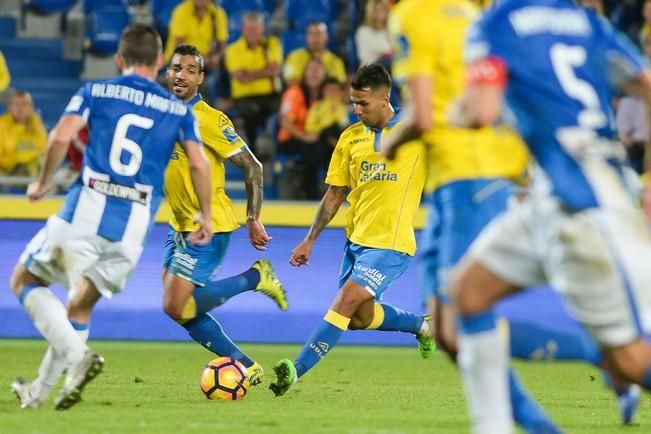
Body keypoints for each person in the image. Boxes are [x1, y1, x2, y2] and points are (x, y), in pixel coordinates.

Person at [448, 1, 651, 432]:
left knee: (629, 359)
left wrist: (454, 111)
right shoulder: (587, 24)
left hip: (583, 206)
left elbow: (480, 111)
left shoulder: (495, 25)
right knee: (469, 292)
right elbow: (646, 83)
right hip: (556, 194)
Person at [382, 1, 566, 432]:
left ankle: (605, 355)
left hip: (471, 178)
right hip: (463, 180)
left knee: (467, 315)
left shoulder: (412, 15)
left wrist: (389, 143)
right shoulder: (473, 13)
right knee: (447, 333)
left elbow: (423, 116)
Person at [9, 24, 212, 411]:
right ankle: (37, 395)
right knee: (79, 308)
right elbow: (199, 164)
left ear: (118, 60)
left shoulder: (96, 91)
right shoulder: (177, 109)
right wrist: (206, 214)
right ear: (157, 63)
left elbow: (59, 136)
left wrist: (41, 183)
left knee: (25, 279)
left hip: (87, 209)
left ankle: (78, 357)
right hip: (133, 230)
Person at [269, 64, 433, 397]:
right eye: (353, 103)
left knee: (346, 299)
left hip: (392, 243)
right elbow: (335, 194)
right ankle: (423, 326)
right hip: (356, 243)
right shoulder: (350, 137)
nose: (356, 111)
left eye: (363, 104)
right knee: (358, 318)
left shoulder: (417, 133)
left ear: (385, 99)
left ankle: (294, 371)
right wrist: (309, 239)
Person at [163, 44, 288, 385]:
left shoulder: (211, 119)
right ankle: (245, 365)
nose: (181, 75)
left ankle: (255, 278)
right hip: (179, 224)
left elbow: (253, 166)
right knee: (180, 310)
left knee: (177, 306)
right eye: (176, 68)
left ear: (201, 78)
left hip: (208, 225)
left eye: (190, 69)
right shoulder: (162, 113)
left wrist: (253, 217)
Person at [225, 11, 282, 156]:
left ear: (262, 28)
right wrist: (265, 71)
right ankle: (254, 151)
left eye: (256, 29)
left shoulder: (273, 43)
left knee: (285, 110)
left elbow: (275, 70)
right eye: (249, 29)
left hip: (271, 95)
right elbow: (240, 77)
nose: (252, 33)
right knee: (250, 112)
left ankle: (278, 150)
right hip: (244, 97)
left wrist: (251, 73)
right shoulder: (233, 50)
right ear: (243, 29)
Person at [277, 58, 327, 199]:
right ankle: (308, 193)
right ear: (304, 74)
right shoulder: (295, 92)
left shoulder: (326, 94)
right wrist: (306, 137)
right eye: (311, 70)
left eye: (318, 71)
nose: (314, 74)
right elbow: (285, 122)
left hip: (315, 139)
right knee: (314, 150)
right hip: (291, 139)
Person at [164, 0, 229, 101]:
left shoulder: (217, 14)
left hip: (205, 64)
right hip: (178, 62)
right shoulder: (181, 11)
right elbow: (181, 47)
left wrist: (216, 57)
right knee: (202, 84)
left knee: (215, 78)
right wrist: (202, 59)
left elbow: (222, 43)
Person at [0, 90, 47, 176]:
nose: (20, 108)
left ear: (31, 108)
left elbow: (43, 148)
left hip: (32, 170)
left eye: (24, 104)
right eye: (17, 104)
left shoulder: (36, 123)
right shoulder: (2, 124)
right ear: (9, 107)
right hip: (6, 172)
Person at [355, 0, 392, 67]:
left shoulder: (389, 29)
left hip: (387, 69)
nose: (380, 13)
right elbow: (387, 49)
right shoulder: (363, 31)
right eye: (376, 10)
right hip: (369, 70)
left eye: (382, 10)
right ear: (370, 11)